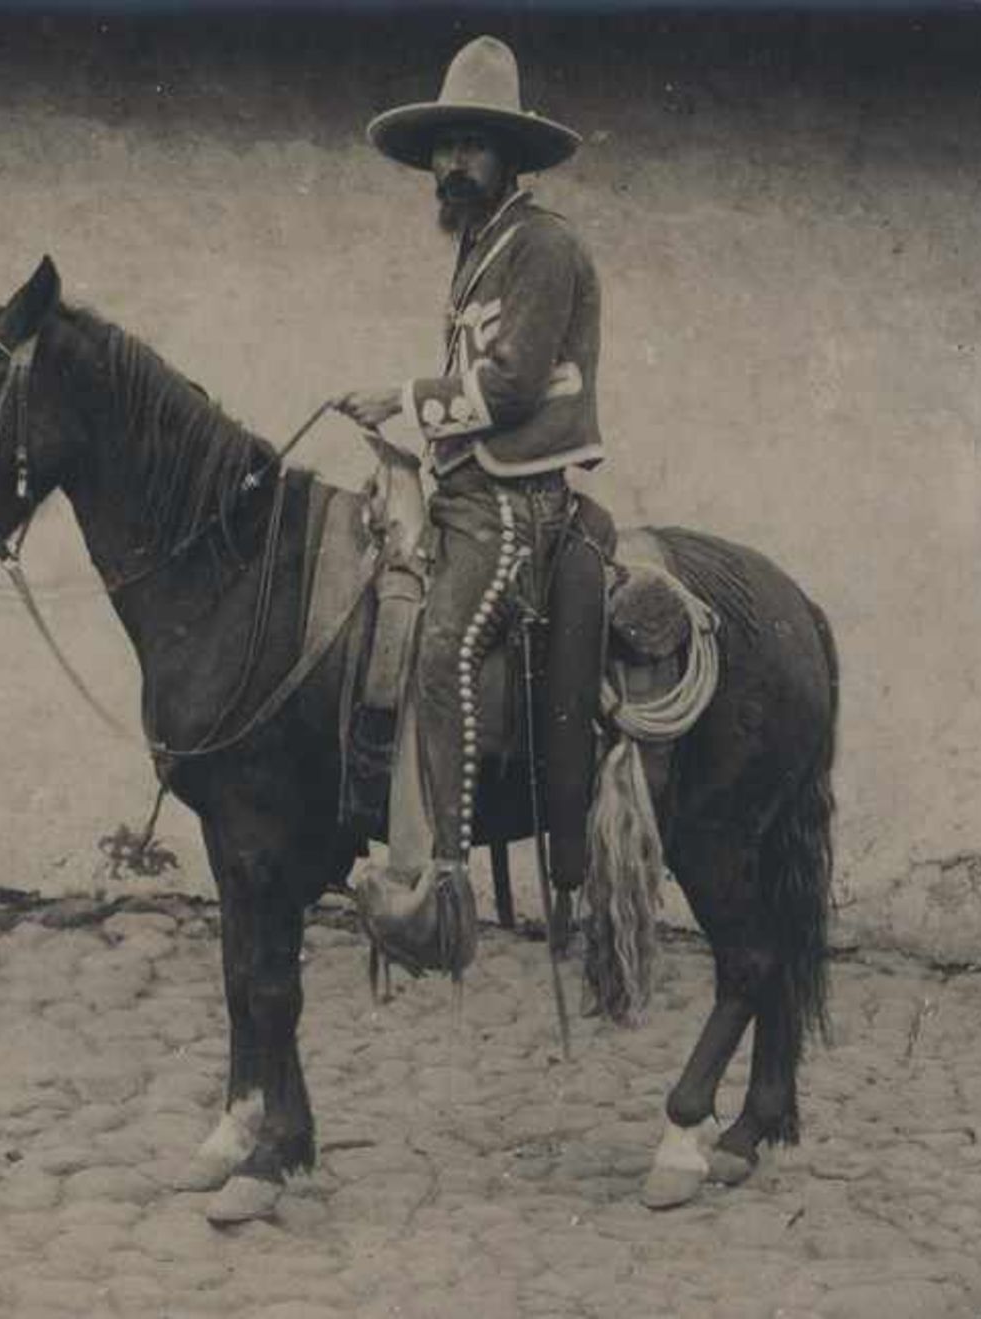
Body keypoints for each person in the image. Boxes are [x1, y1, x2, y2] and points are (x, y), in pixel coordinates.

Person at [338, 35, 607, 928]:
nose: (452, 164)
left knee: (447, 642)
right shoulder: (481, 245)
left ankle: (442, 891)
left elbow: (513, 385)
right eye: (444, 147)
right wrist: (408, 445)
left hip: (514, 501)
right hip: (465, 486)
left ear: (510, 156)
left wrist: (402, 399)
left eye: (472, 145)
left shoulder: (542, 248)